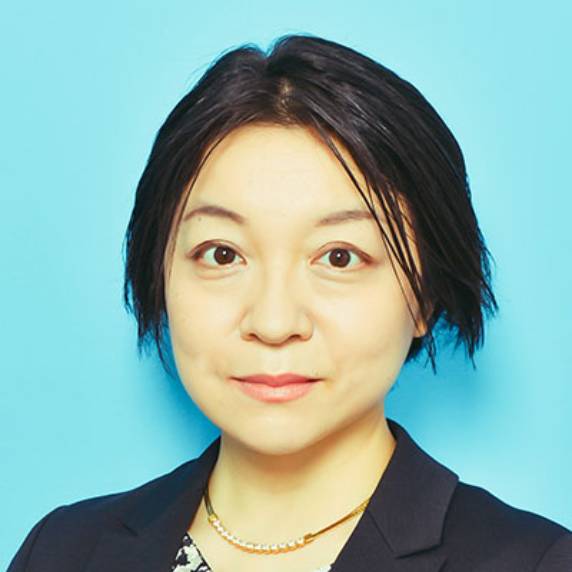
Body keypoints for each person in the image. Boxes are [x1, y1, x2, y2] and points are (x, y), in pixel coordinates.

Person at [8, 33, 571, 572]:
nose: (274, 323)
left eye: (340, 257)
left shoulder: (536, 563)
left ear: (424, 294)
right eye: (222, 254)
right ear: (159, 272)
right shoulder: (62, 552)